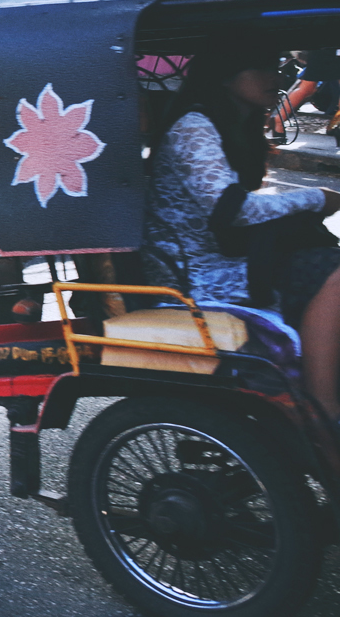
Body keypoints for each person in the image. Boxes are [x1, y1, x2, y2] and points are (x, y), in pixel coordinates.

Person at [142, 41, 340, 422]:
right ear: (225, 76)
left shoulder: (238, 121)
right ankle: (322, 405)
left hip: (234, 255)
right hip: (197, 275)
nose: (277, 75)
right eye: (262, 65)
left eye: (278, 65)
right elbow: (232, 210)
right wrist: (316, 198)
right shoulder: (192, 126)